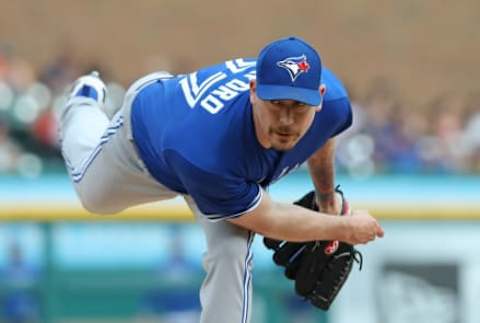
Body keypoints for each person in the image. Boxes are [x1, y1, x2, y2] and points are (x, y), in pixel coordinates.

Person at [59, 36, 384, 323]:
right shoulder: (207, 149)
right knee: (93, 196)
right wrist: (344, 228)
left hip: (218, 164)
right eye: (277, 105)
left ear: (320, 97)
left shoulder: (334, 105)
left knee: (231, 252)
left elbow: (323, 135)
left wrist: (326, 198)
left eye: (299, 107)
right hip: (149, 142)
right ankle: (83, 103)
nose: (287, 119)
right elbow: (268, 218)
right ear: (254, 91)